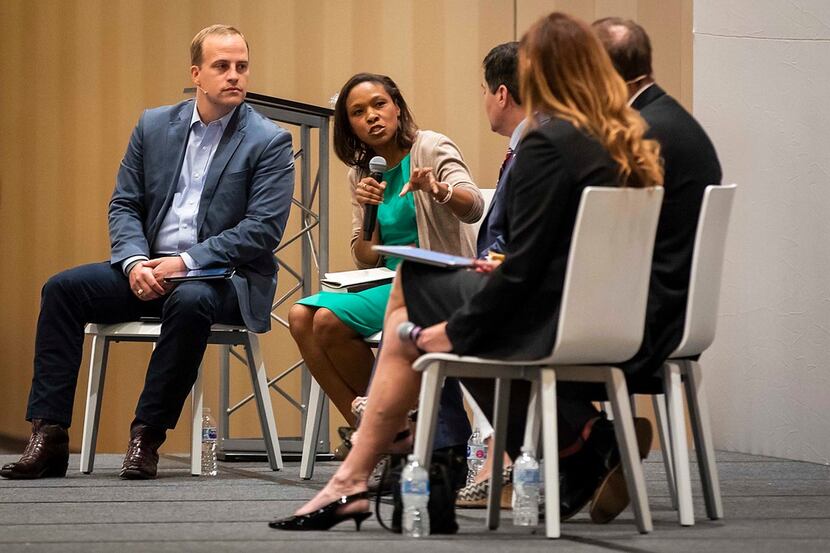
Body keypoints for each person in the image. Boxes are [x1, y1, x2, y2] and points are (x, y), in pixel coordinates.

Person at [269, 11, 663, 531]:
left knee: (418, 305)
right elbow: (541, 249)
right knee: (404, 314)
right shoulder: (617, 139)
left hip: (545, 314)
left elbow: (517, 255)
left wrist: (459, 326)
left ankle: (379, 471)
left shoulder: (547, 145)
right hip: (596, 309)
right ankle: (564, 439)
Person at [0, 24, 295, 481]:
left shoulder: (268, 140)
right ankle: (50, 434)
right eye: (222, 66)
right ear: (196, 73)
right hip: (149, 266)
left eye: (241, 66)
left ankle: (147, 435)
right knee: (62, 289)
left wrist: (186, 262)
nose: (234, 75)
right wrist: (135, 260)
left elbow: (261, 230)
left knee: (191, 298)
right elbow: (125, 203)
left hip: (223, 279)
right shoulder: (154, 125)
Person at [287, 73, 483, 431]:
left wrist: (437, 189)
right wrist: (369, 212)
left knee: (327, 320)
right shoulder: (363, 173)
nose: (372, 116)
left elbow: (474, 207)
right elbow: (365, 254)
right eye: (359, 112)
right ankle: (373, 430)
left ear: (396, 107)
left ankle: (381, 430)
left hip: (437, 281)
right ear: (351, 127)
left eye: (379, 104)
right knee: (300, 317)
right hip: (389, 280)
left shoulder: (431, 147)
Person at [585, 16, 722, 521]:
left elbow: (605, 241)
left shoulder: (639, 135)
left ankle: (599, 449)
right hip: (676, 309)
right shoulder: (674, 120)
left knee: (504, 333)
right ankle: (599, 450)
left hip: (647, 321)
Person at [456, 40, 527, 509]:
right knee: (420, 306)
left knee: (420, 314)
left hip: (524, 298)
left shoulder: (539, 151)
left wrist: (484, 269)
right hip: (525, 287)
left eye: (484, 90)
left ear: (501, 94)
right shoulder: (527, 149)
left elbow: (521, 243)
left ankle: (419, 445)